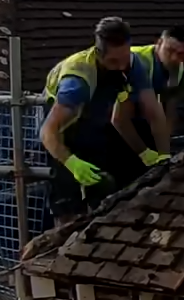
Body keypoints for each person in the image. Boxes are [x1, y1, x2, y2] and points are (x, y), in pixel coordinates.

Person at [40, 17, 168, 225]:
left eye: (124, 59)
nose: (120, 67)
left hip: (96, 123)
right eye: (113, 62)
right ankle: (64, 243)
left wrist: (162, 155)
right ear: (99, 54)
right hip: (64, 131)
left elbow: (153, 111)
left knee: (105, 192)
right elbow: (48, 131)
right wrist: (72, 163)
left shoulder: (133, 65)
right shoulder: (77, 81)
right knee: (67, 201)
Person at [128, 27, 184, 152]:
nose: (174, 58)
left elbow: (170, 109)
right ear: (159, 43)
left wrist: (164, 146)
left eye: (180, 54)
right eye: (170, 51)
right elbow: (122, 116)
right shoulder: (137, 61)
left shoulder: (179, 70)